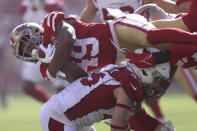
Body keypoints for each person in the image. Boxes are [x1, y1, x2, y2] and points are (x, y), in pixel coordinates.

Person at [10, 0, 197, 83]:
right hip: (121, 59)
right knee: (130, 98)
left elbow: (68, 38)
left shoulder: (50, 23)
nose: (29, 48)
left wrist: (53, 58)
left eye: (27, 41)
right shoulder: (45, 69)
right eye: (24, 50)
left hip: (116, 31)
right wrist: (52, 66)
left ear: (34, 30)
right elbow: (80, 78)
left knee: (150, 37)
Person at [39, 63, 175, 131]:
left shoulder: (123, 74)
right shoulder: (131, 85)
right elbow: (118, 127)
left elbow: (140, 121)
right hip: (59, 117)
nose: (158, 87)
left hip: (64, 114)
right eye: (157, 80)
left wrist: (159, 127)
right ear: (146, 73)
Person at [18, 0, 66, 103]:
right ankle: (52, 106)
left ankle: (67, 112)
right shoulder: (24, 7)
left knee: (60, 88)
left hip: (53, 50)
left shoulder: (54, 5)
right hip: (35, 52)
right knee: (27, 86)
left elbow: (64, 28)